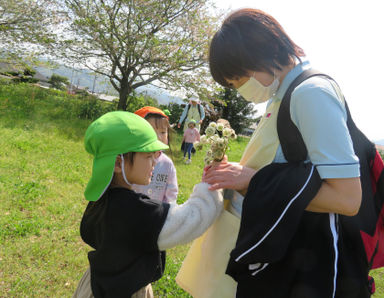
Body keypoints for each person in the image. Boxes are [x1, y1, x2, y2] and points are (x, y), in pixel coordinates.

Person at [179, 8, 364, 298]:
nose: (239, 90)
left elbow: (348, 198)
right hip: (278, 253)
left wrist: (252, 180)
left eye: (237, 80)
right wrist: (236, 174)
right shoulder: (282, 95)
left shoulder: (310, 93)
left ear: (261, 56)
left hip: (302, 263)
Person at [73, 111, 223, 298]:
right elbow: (190, 220)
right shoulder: (134, 211)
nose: (155, 162)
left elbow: (88, 234)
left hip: (93, 284)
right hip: (128, 291)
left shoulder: (100, 199)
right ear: (118, 164)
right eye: (147, 156)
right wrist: (211, 187)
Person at [132, 106, 178, 203]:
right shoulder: (132, 159)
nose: (158, 137)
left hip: (156, 214)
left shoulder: (167, 164)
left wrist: (166, 211)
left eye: (163, 132)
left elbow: (171, 193)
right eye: (151, 131)